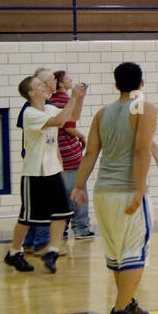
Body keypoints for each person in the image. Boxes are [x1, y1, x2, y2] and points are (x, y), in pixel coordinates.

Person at [70, 62, 158, 314]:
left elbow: (90, 152)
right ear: (141, 83)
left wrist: (78, 186)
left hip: (103, 192)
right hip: (127, 190)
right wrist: (140, 189)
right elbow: (142, 150)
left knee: (118, 253)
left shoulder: (102, 113)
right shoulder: (145, 108)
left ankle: (128, 302)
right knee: (134, 251)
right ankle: (119, 310)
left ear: (115, 84)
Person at [4, 74, 86, 274]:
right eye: (38, 84)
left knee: (62, 212)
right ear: (31, 93)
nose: (43, 86)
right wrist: (73, 97)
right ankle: (14, 252)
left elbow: (72, 118)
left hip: (52, 170)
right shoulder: (29, 113)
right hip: (34, 173)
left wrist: (79, 98)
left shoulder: (49, 108)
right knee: (27, 218)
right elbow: (59, 120)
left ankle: (52, 251)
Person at [50, 71, 94, 240]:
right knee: (78, 191)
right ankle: (81, 228)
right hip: (69, 153)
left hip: (59, 156)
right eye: (68, 79)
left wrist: (79, 98)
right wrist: (81, 136)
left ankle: (61, 229)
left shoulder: (53, 101)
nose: (71, 81)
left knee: (63, 195)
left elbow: (73, 118)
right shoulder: (63, 100)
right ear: (61, 83)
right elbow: (69, 125)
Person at [17, 66, 55, 253]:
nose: (54, 83)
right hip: (37, 163)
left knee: (35, 207)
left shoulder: (47, 105)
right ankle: (41, 244)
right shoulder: (31, 109)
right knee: (42, 206)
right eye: (51, 80)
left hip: (44, 161)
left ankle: (30, 243)